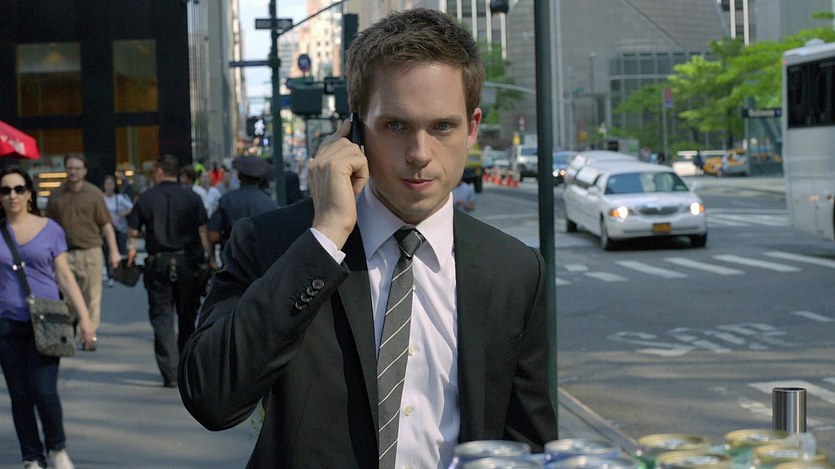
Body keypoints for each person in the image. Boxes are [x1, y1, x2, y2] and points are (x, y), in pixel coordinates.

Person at [179, 8, 557, 468]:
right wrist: (325, 239)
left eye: (442, 126)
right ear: (355, 130)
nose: (419, 154)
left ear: (472, 128)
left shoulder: (515, 270)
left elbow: (528, 445)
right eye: (395, 126)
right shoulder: (274, 243)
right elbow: (211, 397)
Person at [0, 167, 97, 469]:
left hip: (48, 321)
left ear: (29, 194)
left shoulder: (50, 229)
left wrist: (85, 319)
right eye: (5, 190)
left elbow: (65, 276)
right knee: (19, 395)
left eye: (19, 189)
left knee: (43, 390)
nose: (13, 195)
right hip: (6, 323)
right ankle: (32, 456)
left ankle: (57, 446)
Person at [126, 155, 216, 388]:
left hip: (158, 264)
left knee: (162, 316)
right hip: (188, 263)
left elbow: (133, 231)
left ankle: (170, 372)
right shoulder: (192, 197)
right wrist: (211, 259)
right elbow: (203, 231)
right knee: (187, 316)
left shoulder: (146, 197)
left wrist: (131, 254)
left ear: (158, 171)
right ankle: (186, 366)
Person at [45, 155, 121, 343]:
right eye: (70, 168)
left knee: (92, 297)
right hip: (64, 254)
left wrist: (114, 251)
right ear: (65, 169)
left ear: (84, 171)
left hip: (91, 251)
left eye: (77, 168)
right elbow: (48, 227)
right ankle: (70, 328)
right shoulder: (56, 196)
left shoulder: (94, 194)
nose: (73, 172)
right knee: (67, 297)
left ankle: (89, 335)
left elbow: (106, 224)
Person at [206, 155, 278, 250]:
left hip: (233, 255)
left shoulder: (226, 200)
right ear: (260, 178)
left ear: (239, 176)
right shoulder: (270, 203)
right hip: (261, 256)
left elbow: (212, 236)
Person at [102, 175, 133, 287]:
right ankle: (110, 274)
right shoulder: (101, 198)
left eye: (111, 184)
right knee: (106, 251)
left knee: (119, 251)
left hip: (118, 228)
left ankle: (117, 273)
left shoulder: (119, 198)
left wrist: (120, 214)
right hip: (105, 229)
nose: (109, 186)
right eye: (107, 184)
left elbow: (131, 207)